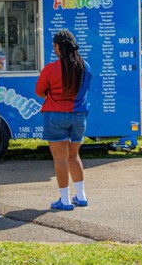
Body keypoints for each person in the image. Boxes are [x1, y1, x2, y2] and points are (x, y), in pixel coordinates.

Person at [36, 29, 93, 210]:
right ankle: (81, 196)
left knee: (60, 159)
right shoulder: (85, 67)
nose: (54, 49)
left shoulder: (51, 68)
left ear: (59, 47)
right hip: (79, 117)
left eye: (54, 46)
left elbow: (39, 91)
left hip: (55, 115)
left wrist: (49, 95)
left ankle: (65, 200)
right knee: (73, 156)